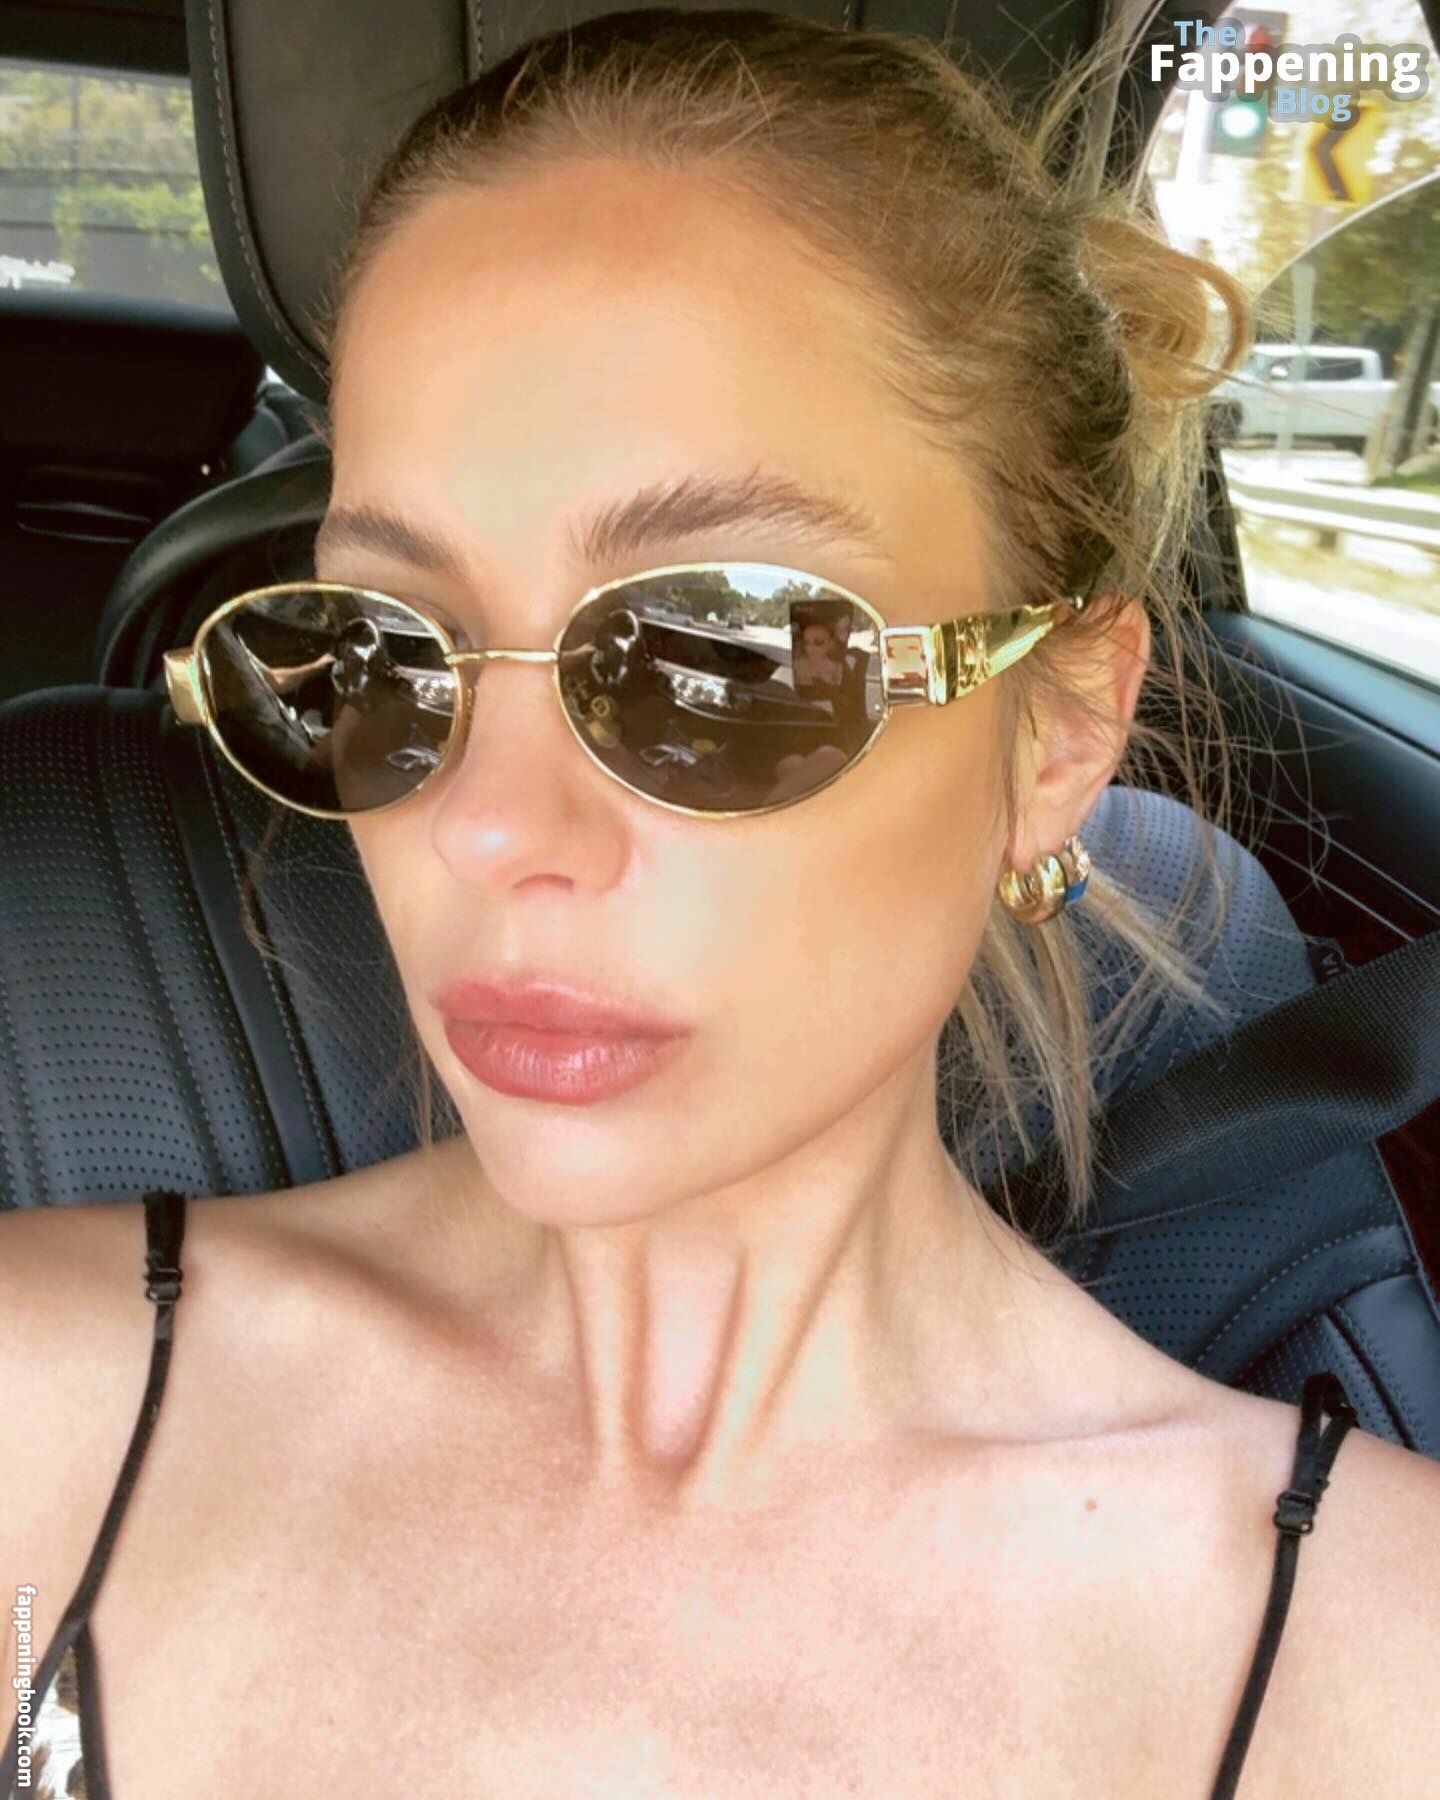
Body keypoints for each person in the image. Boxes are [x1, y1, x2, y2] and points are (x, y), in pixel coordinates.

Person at [5, 10, 1439, 1798]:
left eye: (724, 658)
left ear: (1059, 728)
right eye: (388, 650)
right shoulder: (41, 1404)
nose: (487, 829)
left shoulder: (1380, 1671)